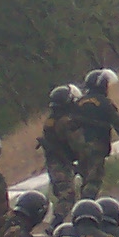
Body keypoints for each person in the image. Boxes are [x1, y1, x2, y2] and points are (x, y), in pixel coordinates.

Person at [72, 69, 119, 202]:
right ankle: (86, 207)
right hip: (96, 147)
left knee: (85, 177)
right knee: (94, 181)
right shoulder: (104, 103)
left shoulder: (77, 103)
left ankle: (82, 203)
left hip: (78, 148)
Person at [38, 84, 84, 222]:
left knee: (62, 193)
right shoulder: (65, 122)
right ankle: (55, 224)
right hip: (61, 162)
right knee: (67, 196)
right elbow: (77, 144)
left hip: (54, 161)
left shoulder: (51, 120)